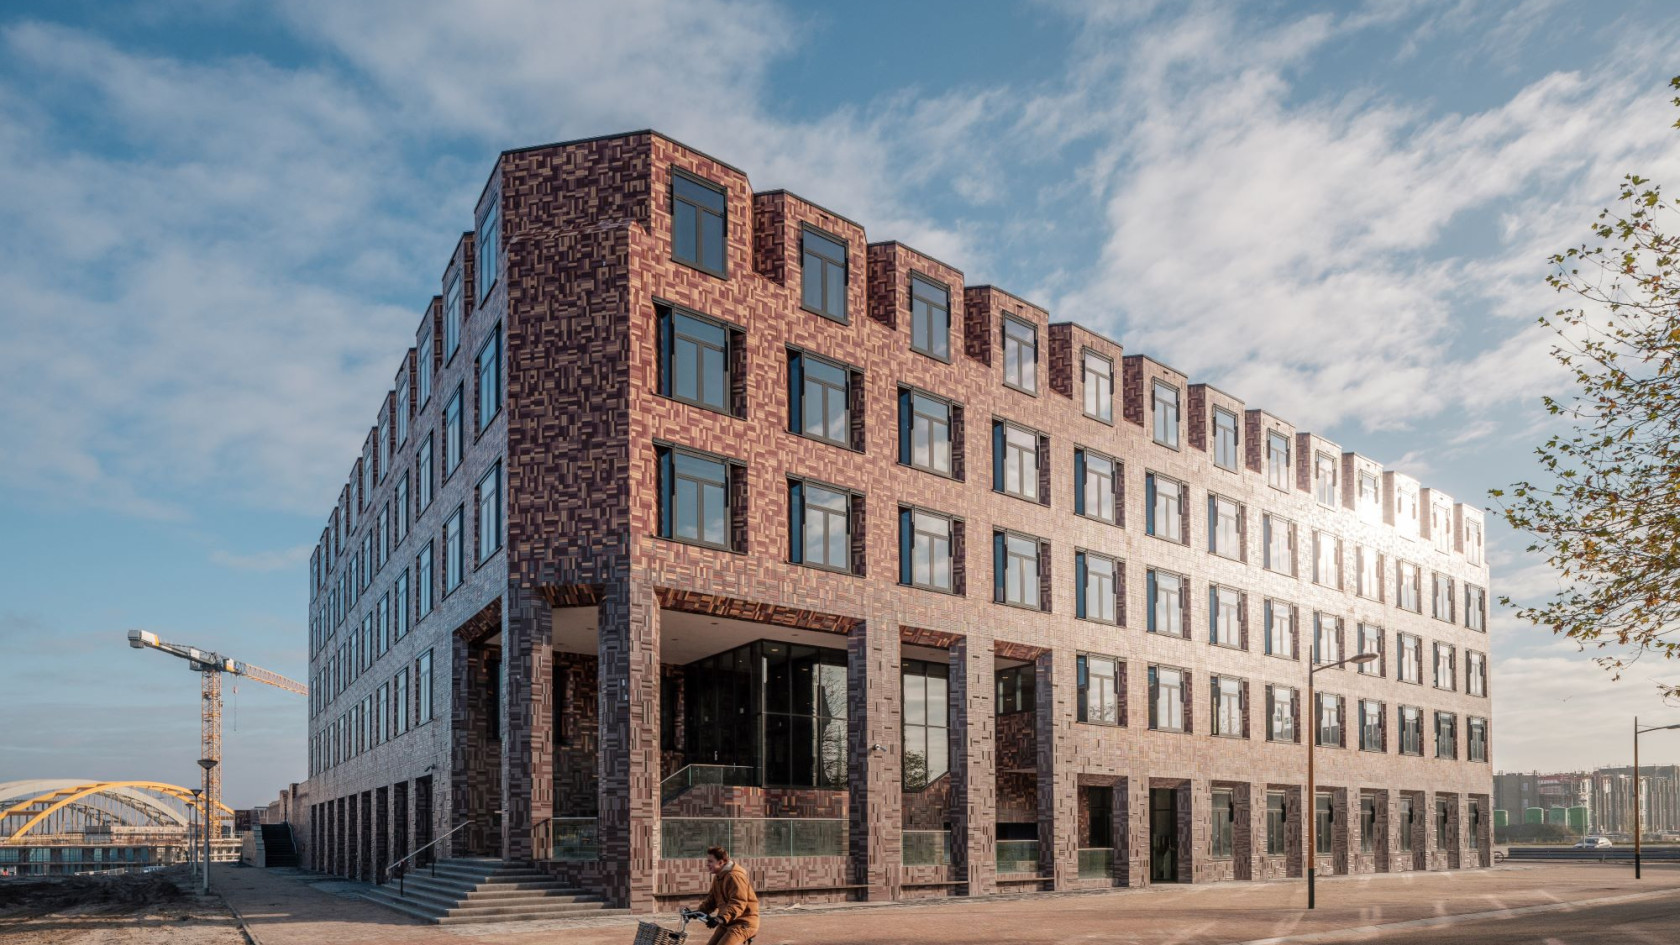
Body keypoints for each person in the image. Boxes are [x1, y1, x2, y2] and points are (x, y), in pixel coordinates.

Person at [695, 845, 759, 945]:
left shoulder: (735, 876)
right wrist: (698, 912)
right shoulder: (718, 877)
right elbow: (712, 899)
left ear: (721, 862)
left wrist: (720, 918)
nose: (707, 864)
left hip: (743, 923)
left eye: (710, 861)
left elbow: (738, 902)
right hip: (727, 923)